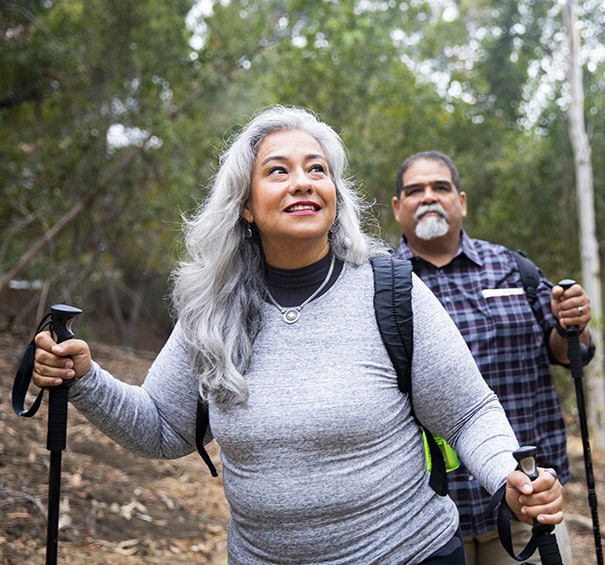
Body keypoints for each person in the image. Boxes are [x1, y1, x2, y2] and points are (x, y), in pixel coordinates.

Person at [33, 107, 563, 565]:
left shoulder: (391, 290)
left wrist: (509, 480)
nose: (304, 181)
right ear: (246, 205)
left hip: (410, 552)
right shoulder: (211, 310)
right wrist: (84, 378)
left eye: (318, 169)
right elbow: (160, 428)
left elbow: (469, 413)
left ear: (335, 194)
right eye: (278, 171)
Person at [391, 150, 594, 565]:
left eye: (440, 187)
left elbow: (568, 352)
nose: (428, 197)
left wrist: (571, 323)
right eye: (415, 190)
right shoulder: (381, 284)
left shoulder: (513, 269)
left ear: (461, 201)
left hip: (526, 497)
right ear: (398, 208)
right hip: (422, 516)